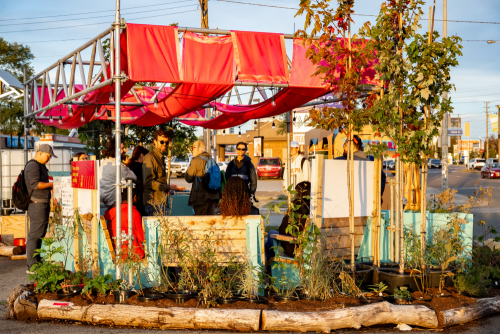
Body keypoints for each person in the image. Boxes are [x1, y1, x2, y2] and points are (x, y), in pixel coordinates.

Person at [25, 144, 56, 274]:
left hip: (41, 204)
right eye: (48, 157)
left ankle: (36, 261)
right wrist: (54, 184)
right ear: (40, 153)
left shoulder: (40, 165)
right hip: (37, 204)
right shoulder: (33, 166)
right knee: (35, 236)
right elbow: (35, 184)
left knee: (40, 235)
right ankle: (32, 265)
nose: (48, 160)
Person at [265, 181, 311, 265]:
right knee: (271, 234)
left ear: (298, 194)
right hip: (305, 249)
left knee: (271, 235)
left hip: (291, 250)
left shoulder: (295, 210)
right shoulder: (312, 210)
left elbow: (282, 230)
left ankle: (270, 268)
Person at [143, 129, 184, 216]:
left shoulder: (160, 158)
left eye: (167, 142)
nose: (164, 144)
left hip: (160, 202)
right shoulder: (150, 157)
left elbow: (159, 181)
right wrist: (168, 187)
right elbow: (148, 182)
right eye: (162, 142)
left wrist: (167, 189)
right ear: (155, 141)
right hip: (154, 204)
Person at [104, 184, 145, 259]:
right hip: (131, 253)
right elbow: (142, 237)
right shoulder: (133, 212)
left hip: (115, 251)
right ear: (135, 196)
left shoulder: (112, 210)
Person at [185, 140, 220, 215]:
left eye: (193, 148)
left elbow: (188, 178)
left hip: (201, 198)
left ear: (198, 148)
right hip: (214, 197)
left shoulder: (195, 161)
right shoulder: (212, 159)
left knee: (201, 223)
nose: (192, 150)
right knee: (212, 223)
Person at [99, 138, 137, 208]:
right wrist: (127, 166)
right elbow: (134, 178)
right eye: (122, 148)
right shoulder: (118, 166)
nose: (125, 150)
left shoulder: (105, 162)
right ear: (114, 151)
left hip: (106, 202)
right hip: (116, 204)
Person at [127, 146, 150, 216]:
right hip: (140, 199)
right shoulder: (140, 167)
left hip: (132, 198)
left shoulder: (131, 165)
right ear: (141, 155)